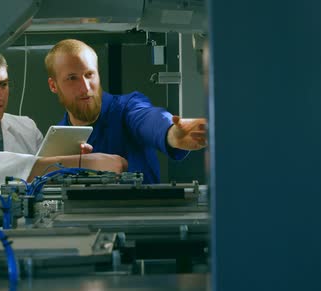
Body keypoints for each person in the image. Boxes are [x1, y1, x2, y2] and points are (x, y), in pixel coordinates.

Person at [0, 55, 127, 189]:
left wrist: (69, 164)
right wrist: (76, 163)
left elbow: (44, 176)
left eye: (3, 84)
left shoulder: (25, 126)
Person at [45, 39, 207, 184]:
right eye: (72, 78)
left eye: (89, 75)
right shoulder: (58, 142)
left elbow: (148, 118)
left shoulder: (127, 108)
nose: (85, 87)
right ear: (53, 85)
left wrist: (171, 133)